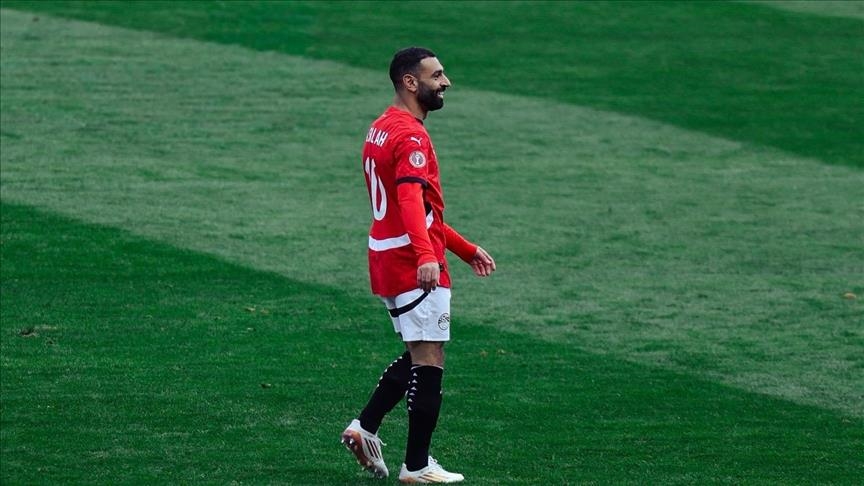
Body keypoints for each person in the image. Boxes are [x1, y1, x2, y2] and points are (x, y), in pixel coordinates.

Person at [341, 47, 496, 484]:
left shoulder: (381, 127)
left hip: (387, 254)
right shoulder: (411, 137)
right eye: (437, 75)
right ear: (411, 82)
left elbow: (418, 210)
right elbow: (410, 199)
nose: (446, 82)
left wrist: (463, 248)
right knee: (429, 358)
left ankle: (365, 428)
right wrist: (428, 256)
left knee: (419, 352)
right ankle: (416, 466)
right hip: (413, 260)